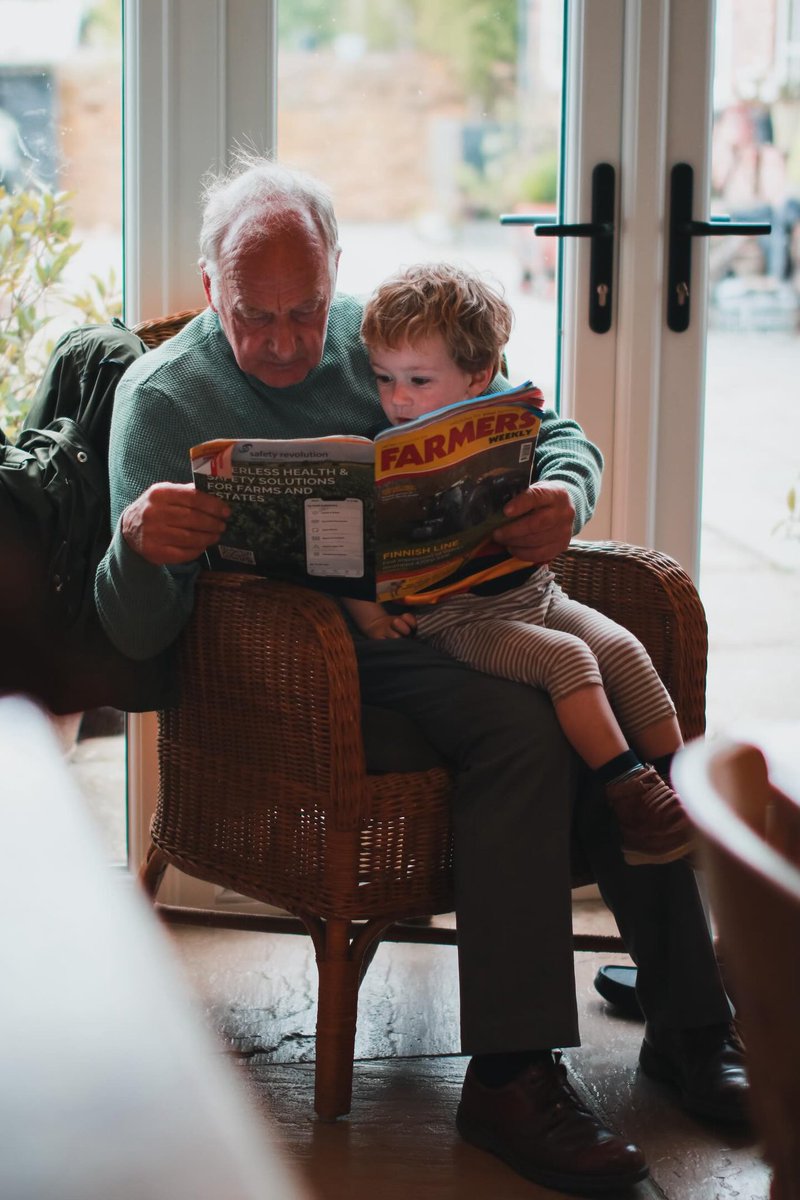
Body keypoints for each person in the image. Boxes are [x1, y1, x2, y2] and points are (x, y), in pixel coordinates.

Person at [95, 154, 748, 1197]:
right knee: (525, 719)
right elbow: (131, 637)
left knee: (621, 680)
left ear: (334, 276)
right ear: (211, 284)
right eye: (251, 313)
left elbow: (546, 421)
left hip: (445, 617)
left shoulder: (373, 333)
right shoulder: (162, 399)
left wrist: (562, 494)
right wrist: (139, 543)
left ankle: (686, 1022)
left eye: (302, 312)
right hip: (299, 671)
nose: (278, 341)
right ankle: (508, 1077)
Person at [346, 262, 690, 868]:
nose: (398, 400)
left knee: (624, 648)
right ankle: (629, 794)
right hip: (457, 622)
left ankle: (681, 796)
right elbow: (342, 553)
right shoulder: (382, 454)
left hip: (537, 596)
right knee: (569, 658)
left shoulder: (511, 417)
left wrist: (552, 492)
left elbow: (570, 445)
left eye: (420, 380)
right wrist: (373, 618)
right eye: (384, 379)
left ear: (481, 375)